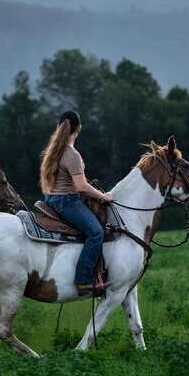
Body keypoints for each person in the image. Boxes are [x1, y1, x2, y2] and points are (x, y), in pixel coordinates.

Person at [40, 110, 113, 295]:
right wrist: (103, 197)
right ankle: (83, 280)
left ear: (59, 127)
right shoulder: (72, 154)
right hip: (67, 201)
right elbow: (81, 186)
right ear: (79, 128)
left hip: (51, 198)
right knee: (96, 232)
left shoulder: (54, 150)